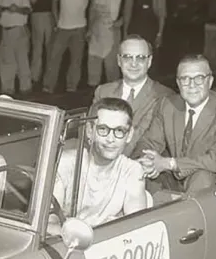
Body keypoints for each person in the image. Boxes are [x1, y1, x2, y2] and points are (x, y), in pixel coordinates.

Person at [135, 54, 216, 196]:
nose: (192, 85)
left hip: (215, 183)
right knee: (139, 175)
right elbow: (149, 141)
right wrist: (147, 161)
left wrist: (169, 163)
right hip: (175, 177)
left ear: (209, 81)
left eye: (199, 78)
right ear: (178, 83)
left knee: (202, 176)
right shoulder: (167, 105)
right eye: (185, 79)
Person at [53, 97, 148, 227]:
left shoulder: (132, 170)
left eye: (119, 131)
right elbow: (48, 224)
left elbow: (136, 224)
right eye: (103, 129)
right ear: (89, 131)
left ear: (129, 135)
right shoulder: (64, 164)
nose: (111, 139)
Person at [92, 34, 172, 158]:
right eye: (127, 57)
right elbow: (91, 133)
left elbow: (151, 143)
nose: (133, 64)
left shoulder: (164, 97)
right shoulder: (103, 91)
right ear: (119, 60)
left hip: (137, 166)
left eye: (140, 58)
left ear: (149, 61)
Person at [42, 0, 92, 93]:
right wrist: (56, 20)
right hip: (62, 27)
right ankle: (48, 85)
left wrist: (90, 26)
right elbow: (54, 2)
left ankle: (72, 86)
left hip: (80, 28)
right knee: (54, 57)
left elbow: (94, 6)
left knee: (76, 60)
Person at [87, 0, 127, 87]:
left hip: (112, 29)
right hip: (97, 30)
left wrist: (122, 20)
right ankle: (93, 93)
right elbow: (92, 9)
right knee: (94, 64)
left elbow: (130, 5)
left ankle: (114, 96)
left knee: (111, 66)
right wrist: (89, 28)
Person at [23, 0, 62, 86]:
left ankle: (49, 77)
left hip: (50, 14)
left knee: (50, 47)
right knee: (37, 46)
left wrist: (57, 17)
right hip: (36, 13)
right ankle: (35, 77)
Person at [0, 0, 33, 94]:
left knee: (21, 59)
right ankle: (7, 88)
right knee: (7, 59)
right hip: (5, 30)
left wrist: (18, 9)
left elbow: (28, 10)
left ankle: (25, 88)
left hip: (18, 30)